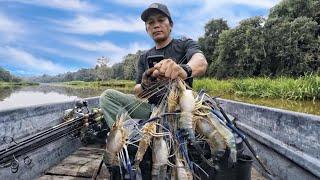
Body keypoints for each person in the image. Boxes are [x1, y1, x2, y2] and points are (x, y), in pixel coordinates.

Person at [100, 3, 207, 128]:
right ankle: (132, 136)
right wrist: (147, 83)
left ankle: (144, 134)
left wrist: (183, 69)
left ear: (170, 25)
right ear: (147, 29)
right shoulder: (143, 57)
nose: (156, 25)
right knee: (107, 96)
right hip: (152, 109)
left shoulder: (185, 44)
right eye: (151, 23)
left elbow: (201, 62)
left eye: (161, 20)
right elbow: (138, 91)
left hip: (181, 109)